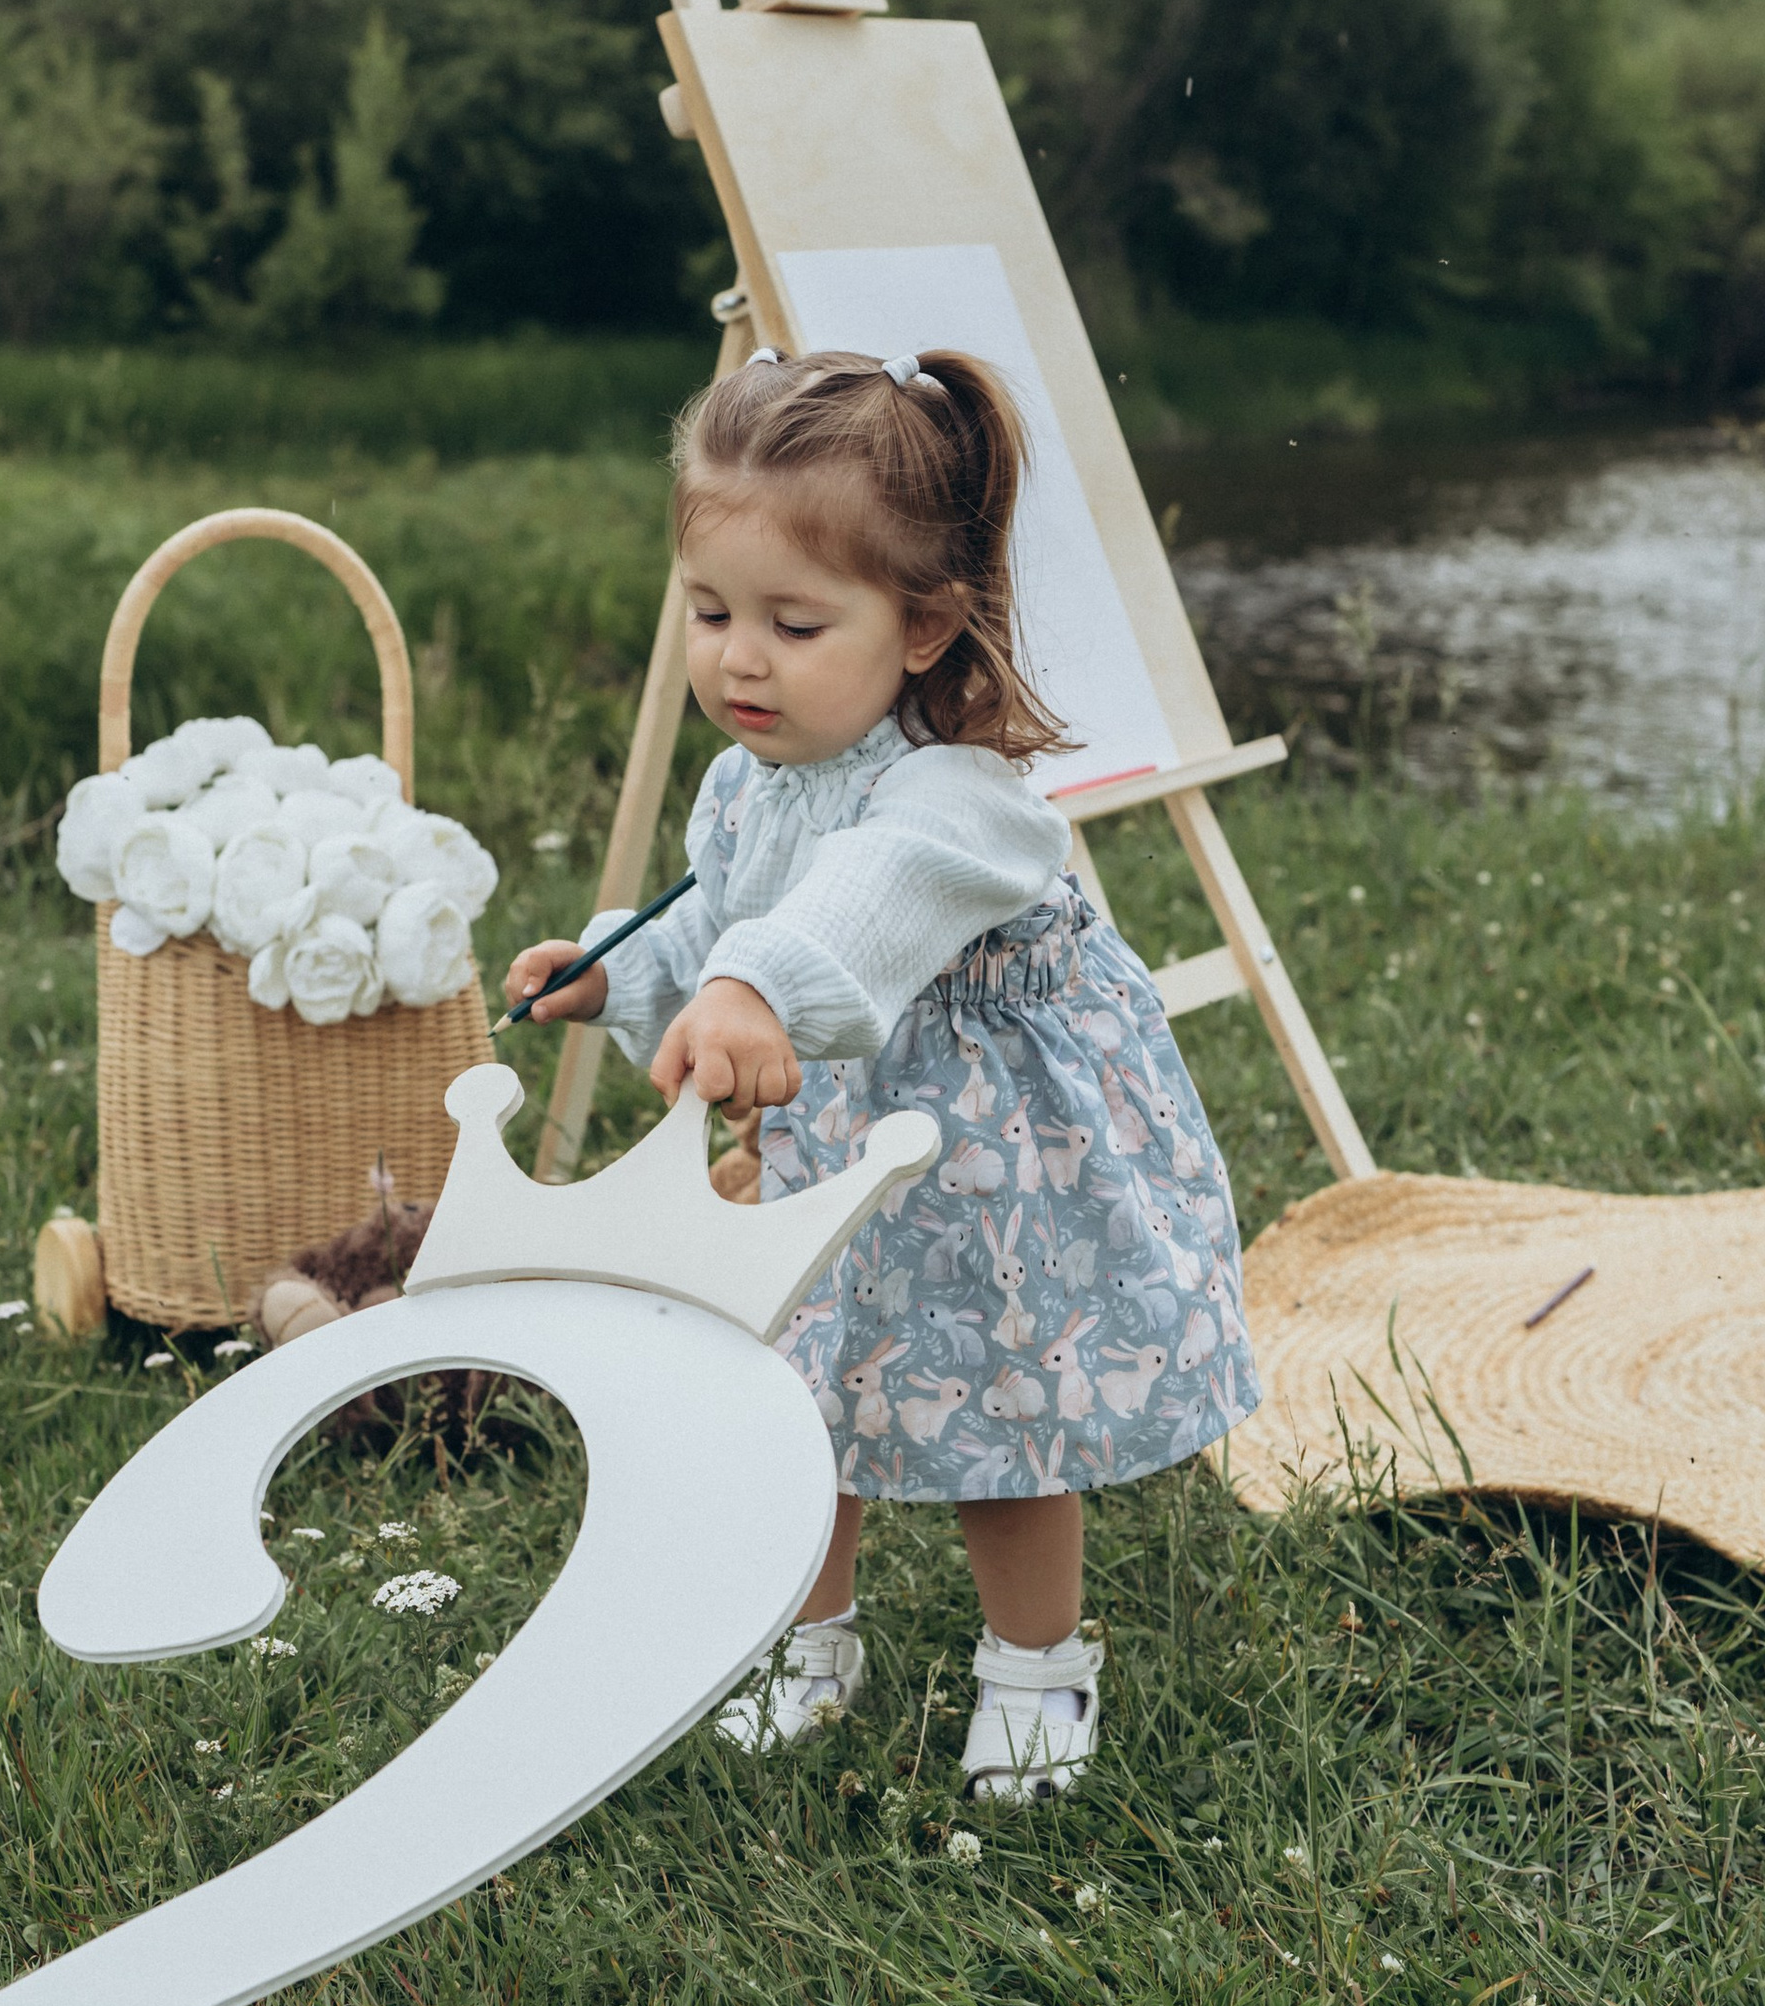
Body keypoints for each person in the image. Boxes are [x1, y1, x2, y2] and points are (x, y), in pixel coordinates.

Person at [503, 344, 1259, 1801]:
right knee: (800, 1390)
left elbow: (855, 911)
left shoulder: (963, 795)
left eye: (794, 622)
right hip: (834, 1143)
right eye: (712, 611)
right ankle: (812, 1637)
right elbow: (724, 917)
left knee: (1004, 1419)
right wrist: (623, 970)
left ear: (922, 628)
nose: (738, 657)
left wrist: (749, 985)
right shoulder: (749, 779)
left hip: (990, 1166)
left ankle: (1036, 1671)